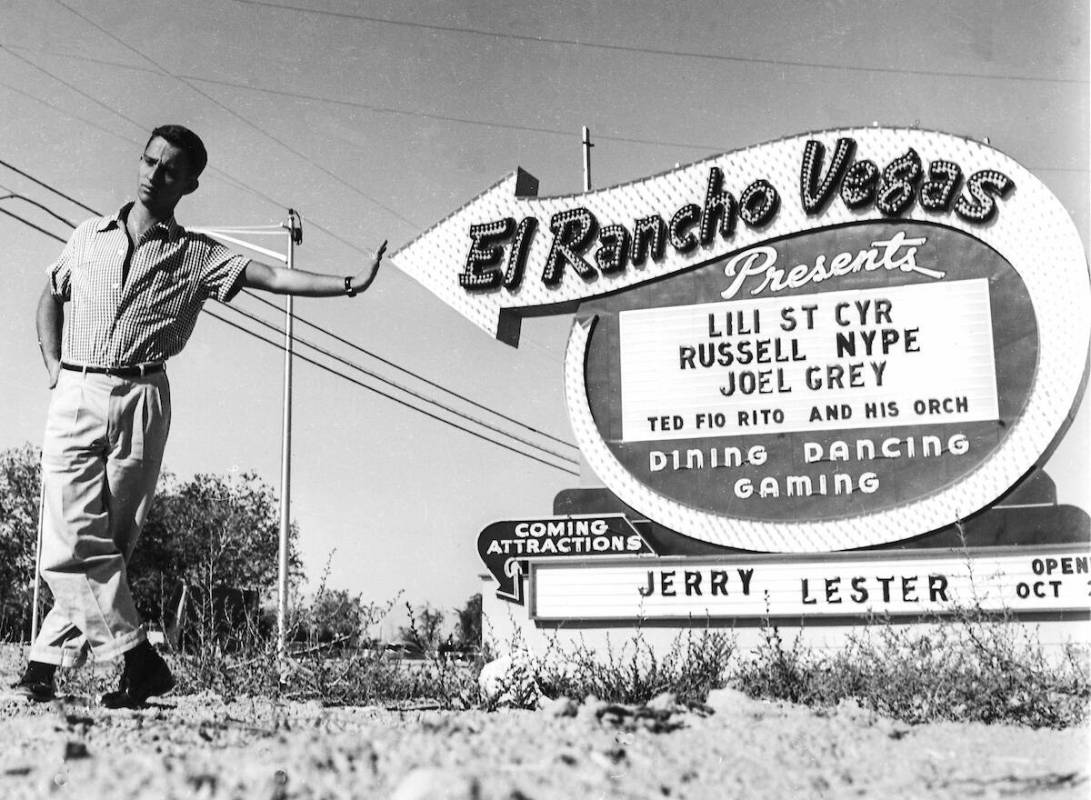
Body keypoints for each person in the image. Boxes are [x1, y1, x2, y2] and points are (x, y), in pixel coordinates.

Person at [14, 124, 386, 708]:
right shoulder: (89, 235)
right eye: (148, 159)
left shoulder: (194, 255)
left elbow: (270, 275)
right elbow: (50, 294)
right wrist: (55, 365)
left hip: (143, 398)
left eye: (169, 169)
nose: (152, 174)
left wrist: (348, 285)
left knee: (109, 542)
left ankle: (44, 664)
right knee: (67, 540)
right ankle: (138, 659)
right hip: (78, 387)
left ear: (189, 183)